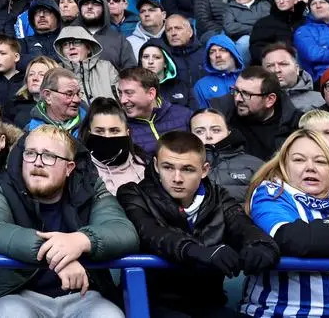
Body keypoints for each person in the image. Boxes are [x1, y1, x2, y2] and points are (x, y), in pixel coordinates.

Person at [0, 125, 139, 318]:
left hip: (84, 296)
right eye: (30, 154)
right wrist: (58, 254)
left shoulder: (90, 188)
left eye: (49, 156)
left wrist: (81, 241)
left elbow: (123, 231)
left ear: (69, 168)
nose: (37, 163)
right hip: (18, 295)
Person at [117, 131, 281, 318]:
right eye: (168, 167)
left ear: (204, 170)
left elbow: (242, 226)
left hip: (207, 303)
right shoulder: (133, 194)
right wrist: (197, 251)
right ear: (155, 166)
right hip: (152, 303)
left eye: (187, 169)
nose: (177, 178)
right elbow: (152, 233)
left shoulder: (219, 197)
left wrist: (260, 245)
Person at [242, 130, 329, 318]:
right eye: (299, 160)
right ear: (284, 165)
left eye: (321, 161)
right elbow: (294, 238)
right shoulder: (271, 193)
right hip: (282, 313)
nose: (310, 167)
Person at [220, 66, 303, 160]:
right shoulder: (224, 121)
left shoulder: (297, 126)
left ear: (270, 100)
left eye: (246, 94)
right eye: (236, 91)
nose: (237, 98)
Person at [189, 108, 265, 202]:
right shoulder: (180, 165)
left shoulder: (256, 165)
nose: (208, 136)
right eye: (199, 131)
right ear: (189, 135)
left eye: (216, 130)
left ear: (228, 132)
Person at [116, 67, 192, 157]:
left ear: (151, 94)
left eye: (129, 93)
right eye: (120, 93)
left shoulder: (185, 116)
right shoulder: (119, 126)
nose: (122, 100)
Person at [261, 42, 326, 111]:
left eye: (283, 64)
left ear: (297, 69)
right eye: (270, 66)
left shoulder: (321, 100)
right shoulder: (255, 102)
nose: (276, 70)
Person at [24, 68, 86, 137]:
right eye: (69, 94)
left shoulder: (90, 127)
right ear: (48, 96)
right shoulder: (30, 132)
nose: (77, 100)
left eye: (78, 94)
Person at [194, 35, 245, 108]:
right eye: (212, 52)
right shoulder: (201, 86)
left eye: (223, 50)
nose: (217, 55)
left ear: (233, 53)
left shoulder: (249, 78)